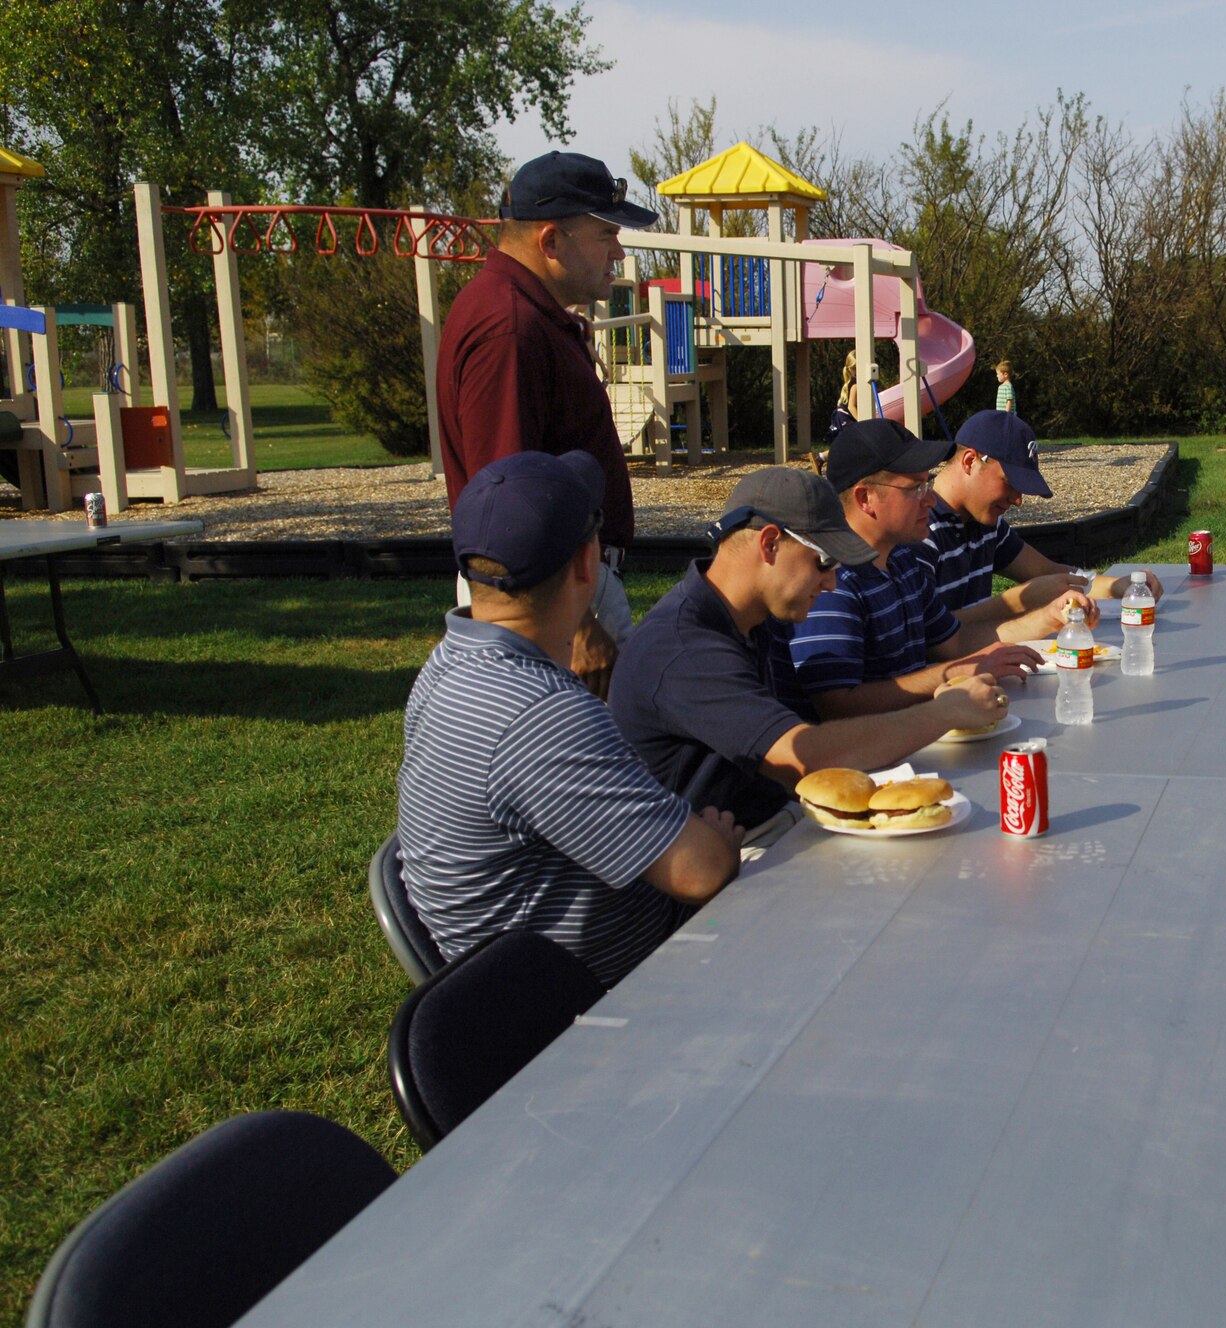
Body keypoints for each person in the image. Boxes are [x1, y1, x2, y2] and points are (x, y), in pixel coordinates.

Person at [397, 451, 743, 987]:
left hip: (512, 982)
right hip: (618, 995)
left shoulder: (448, 664)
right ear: (588, 564)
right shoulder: (541, 712)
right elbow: (701, 873)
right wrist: (718, 836)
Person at [611, 467, 1010, 834]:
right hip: (720, 856)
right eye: (824, 561)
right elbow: (804, 756)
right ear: (769, 544)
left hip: (774, 817)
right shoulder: (685, 649)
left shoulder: (756, 615)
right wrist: (945, 711)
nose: (833, 583)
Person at [435, 150, 659, 698]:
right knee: (577, 771)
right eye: (605, 234)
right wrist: (579, 625)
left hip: (560, 593)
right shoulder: (509, 329)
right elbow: (506, 504)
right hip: (545, 604)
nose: (619, 252)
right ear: (551, 242)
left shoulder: (523, 315)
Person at [790, 418, 1082, 718]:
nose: (930, 499)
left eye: (928, 483)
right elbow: (837, 704)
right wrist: (959, 672)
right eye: (916, 488)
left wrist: (1046, 618)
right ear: (866, 498)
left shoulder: (901, 561)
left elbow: (953, 643)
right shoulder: (830, 580)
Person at [924, 410, 1163, 620]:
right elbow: (930, 634)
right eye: (1010, 483)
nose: (1018, 500)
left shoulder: (986, 524)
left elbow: (1046, 571)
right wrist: (1019, 601)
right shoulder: (918, 528)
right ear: (970, 462)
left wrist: (1117, 585)